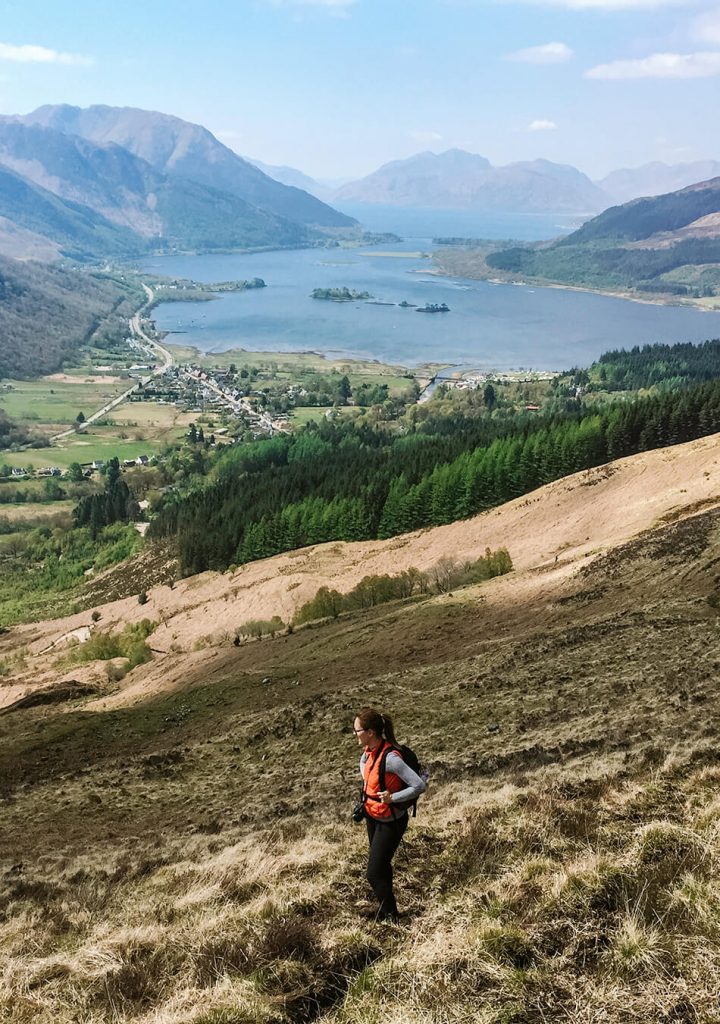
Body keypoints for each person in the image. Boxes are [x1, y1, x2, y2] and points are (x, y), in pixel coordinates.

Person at [353, 707, 427, 923]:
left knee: (373, 873)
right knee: (382, 866)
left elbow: (419, 785)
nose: (354, 734)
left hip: (391, 821)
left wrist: (392, 798)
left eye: (357, 730)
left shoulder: (392, 759)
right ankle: (388, 911)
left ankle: (393, 919)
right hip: (373, 817)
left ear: (370, 732)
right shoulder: (366, 756)